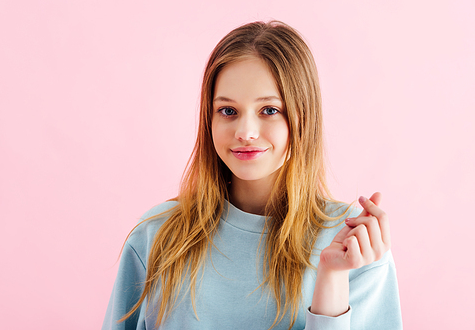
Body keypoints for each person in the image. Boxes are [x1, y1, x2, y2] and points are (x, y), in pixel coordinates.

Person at [102, 21, 402, 330]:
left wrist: (332, 278)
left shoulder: (356, 246)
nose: (245, 132)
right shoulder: (155, 237)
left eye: (269, 110)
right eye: (228, 111)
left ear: (304, 116)